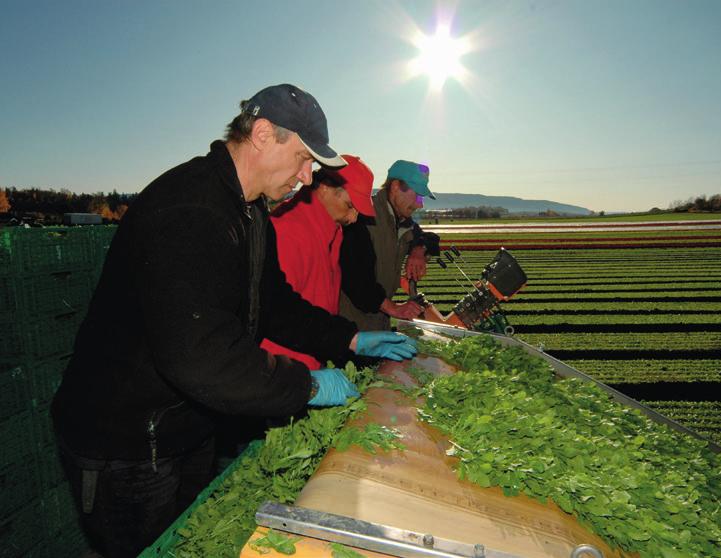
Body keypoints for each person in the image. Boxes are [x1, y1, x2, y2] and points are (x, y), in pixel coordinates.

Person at [50, 84, 416, 557]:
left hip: (184, 423)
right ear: (264, 134)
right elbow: (200, 355)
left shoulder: (249, 211)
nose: (308, 178)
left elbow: (275, 303)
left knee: (192, 542)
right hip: (127, 441)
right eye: (305, 159)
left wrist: (349, 339)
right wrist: (306, 385)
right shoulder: (190, 209)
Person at [261, 154, 376, 369]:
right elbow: (277, 315)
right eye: (350, 205)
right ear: (324, 187)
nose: (353, 218)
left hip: (315, 357)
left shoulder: (332, 231)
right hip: (285, 367)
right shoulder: (287, 230)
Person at [339, 160, 440, 331]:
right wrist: (394, 308)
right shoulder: (363, 218)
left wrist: (418, 250)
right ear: (395, 187)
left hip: (378, 323)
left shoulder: (403, 222)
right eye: (417, 195)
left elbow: (429, 238)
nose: (419, 204)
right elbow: (355, 279)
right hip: (350, 327)